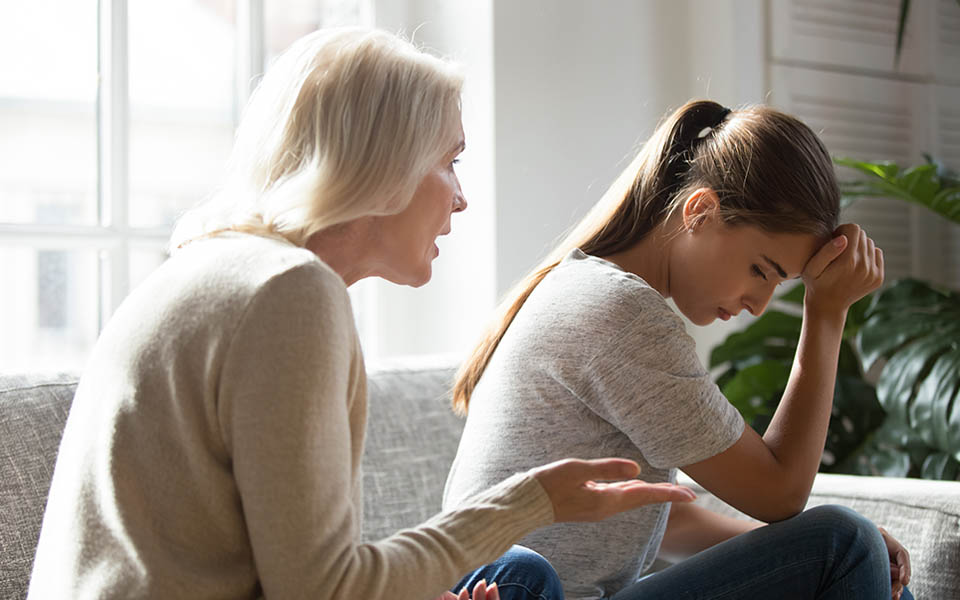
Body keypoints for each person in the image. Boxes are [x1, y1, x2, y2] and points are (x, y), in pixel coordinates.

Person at [27, 28, 698, 600]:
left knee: (520, 572)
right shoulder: (289, 293)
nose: (460, 199)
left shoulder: (219, 266)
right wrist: (531, 502)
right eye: (450, 161)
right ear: (383, 164)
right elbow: (322, 592)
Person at [443, 100, 913, 600]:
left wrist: (795, 559)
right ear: (700, 212)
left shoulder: (586, 289)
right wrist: (826, 313)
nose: (759, 305)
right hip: (525, 591)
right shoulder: (620, 311)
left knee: (864, 566)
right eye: (762, 270)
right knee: (845, 543)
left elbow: (664, 519)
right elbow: (780, 492)